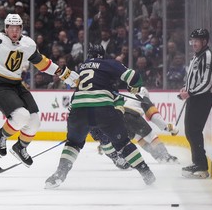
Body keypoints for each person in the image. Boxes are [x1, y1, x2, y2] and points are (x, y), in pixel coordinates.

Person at [0, 9, 79, 167]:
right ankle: (0, 135)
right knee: (21, 116)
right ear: (5, 28)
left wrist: (63, 73)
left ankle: (20, 147)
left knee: (34, 122)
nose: (14, 30)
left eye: (17, 27)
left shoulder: (28, 44)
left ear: (21, 28)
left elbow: (43, 63)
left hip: (16, 85)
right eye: (11, 27)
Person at [44, 44, 156, 189]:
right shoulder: (108, 63)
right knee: (123, 143)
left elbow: (78, 93)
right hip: (102, 108)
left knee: (73, 143)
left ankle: (59, 175)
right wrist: (134, 87)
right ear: (102, 55)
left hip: (78, 109)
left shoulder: (83, 67)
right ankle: (146, 173)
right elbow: (134, 76)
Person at [91, 87, 179, 169]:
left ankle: (155, 155)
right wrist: (167, 127)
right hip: (132, 116)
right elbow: (153, 116)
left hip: (119, 118)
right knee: (151, 136)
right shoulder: (142, 97)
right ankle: (164, 156)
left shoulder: (125, 97)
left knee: (139, 138)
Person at [178, 28, 212, 179]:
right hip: (195, 97)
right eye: (192, 41)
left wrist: (190, 92)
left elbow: (207, 82)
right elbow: (194, 77)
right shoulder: (197, 56)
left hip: (202, 97)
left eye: (196, 41)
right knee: (190, 130)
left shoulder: (207, 56)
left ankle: (201, 166)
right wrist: (186, 88)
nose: (193, 43)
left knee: (193, 130)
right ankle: (198, 162)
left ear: (205, 41)